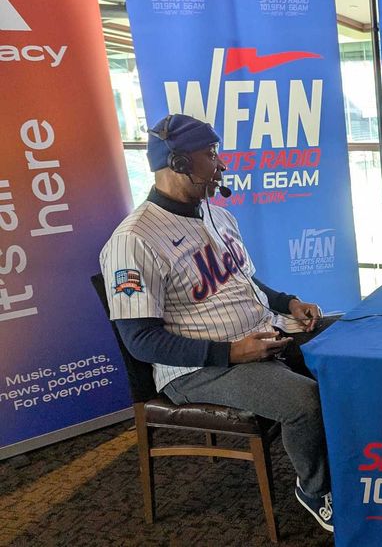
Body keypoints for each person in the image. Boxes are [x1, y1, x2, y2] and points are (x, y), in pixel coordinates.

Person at [99, 114, 334, 532]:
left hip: (263, 333)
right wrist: (231, 353)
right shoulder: (132, 241)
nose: (221, 163)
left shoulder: (218, 215)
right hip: (200, 367)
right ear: (179, 162)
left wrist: (289, 302)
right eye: (210, 154)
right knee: (305, 403)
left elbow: (246, 282)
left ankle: (354, 462)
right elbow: (141, 340)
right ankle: (315, 489)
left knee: (351, 345)